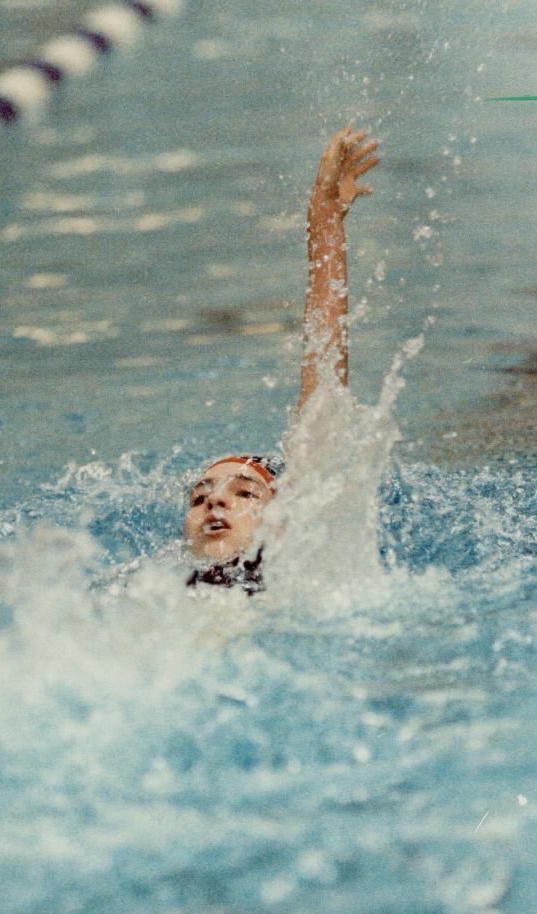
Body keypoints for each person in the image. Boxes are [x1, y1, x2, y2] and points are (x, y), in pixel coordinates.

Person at [185, 125, 379, 594]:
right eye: (200, 498)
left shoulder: (297, 569)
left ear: (285, 512)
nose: (215, 504)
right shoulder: (143, 585)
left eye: (245, 493)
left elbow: (324, 362)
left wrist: (325, 218)